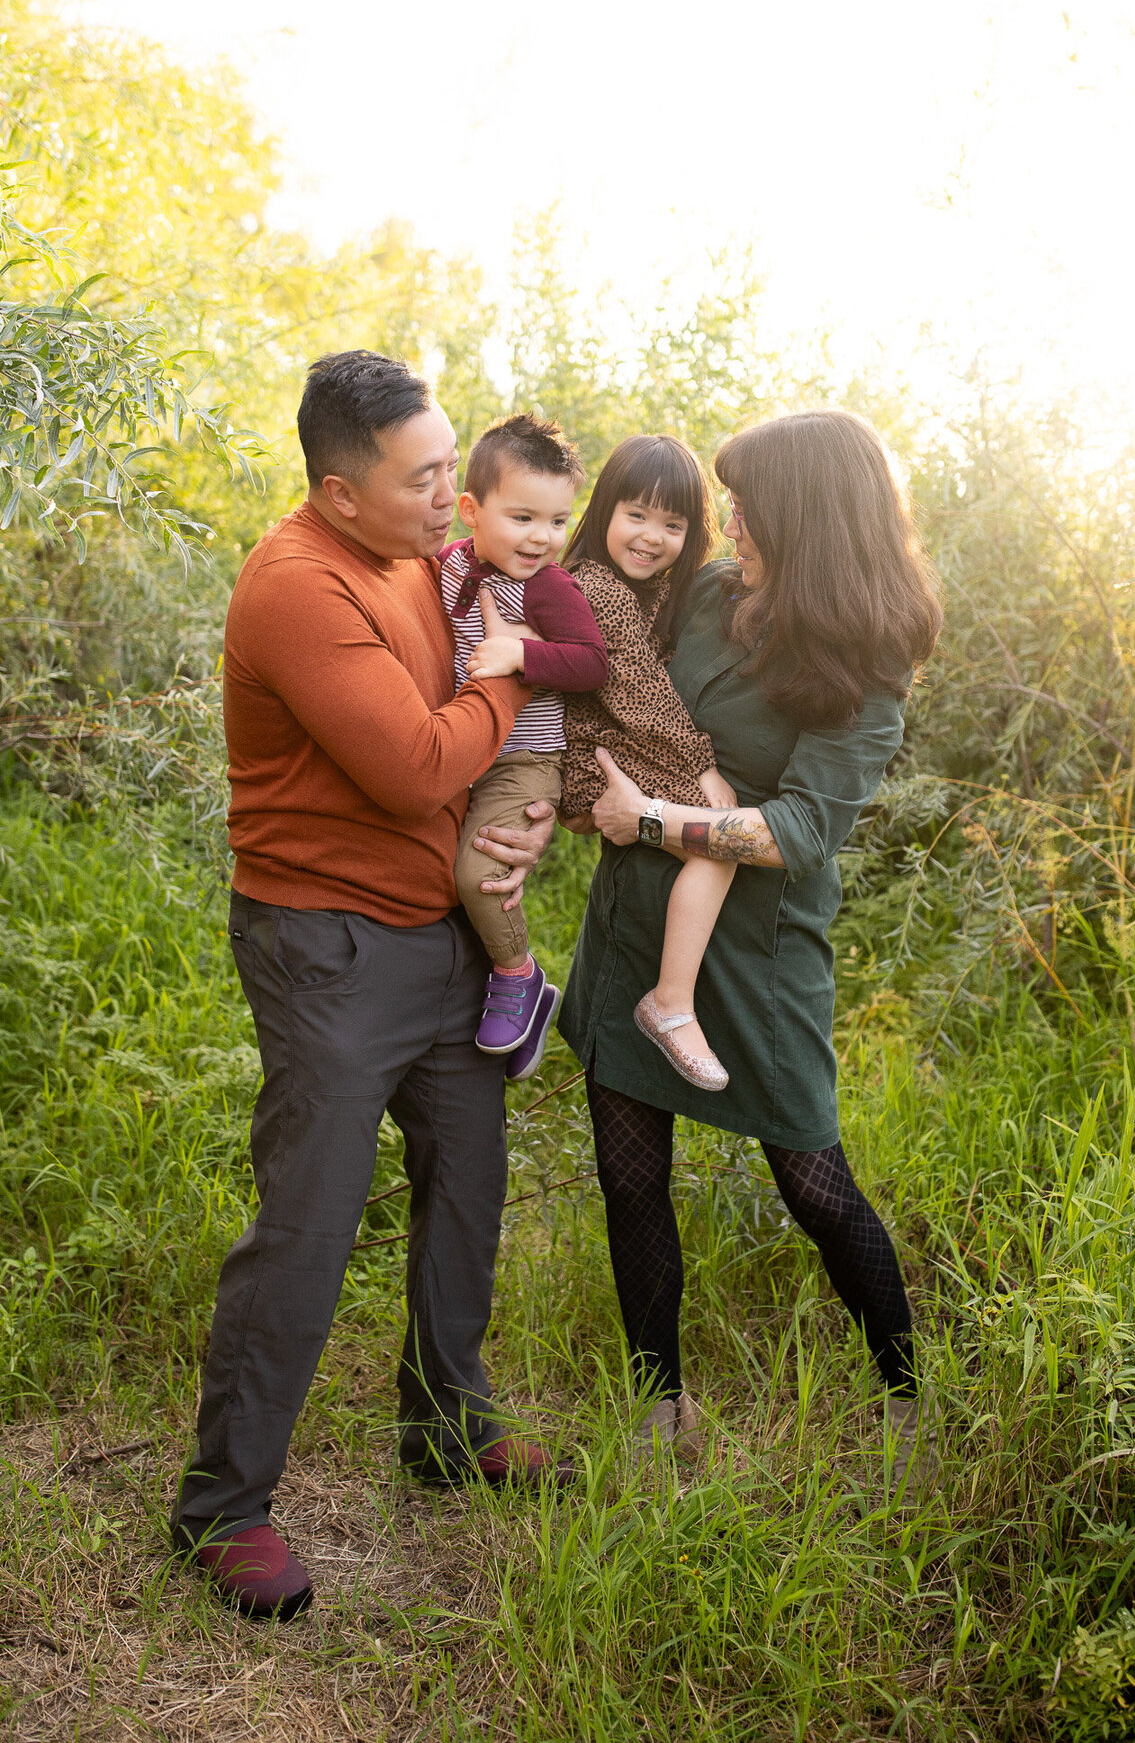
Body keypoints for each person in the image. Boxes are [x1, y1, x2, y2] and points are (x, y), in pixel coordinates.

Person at [171, 351, 572, 1624]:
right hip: (326, 946)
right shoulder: (297, 586)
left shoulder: (420, 560)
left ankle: (446, 1425)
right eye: (425, 478)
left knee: (470, 1175)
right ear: (343, 492)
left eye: (454, 465)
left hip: (436, 933)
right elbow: (413, 765)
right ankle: (223, 1508)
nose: (452, 494)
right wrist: (512, 677)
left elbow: (466, 763)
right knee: (312, 1218)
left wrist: (524, 820)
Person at [558, 411, 943, 1467]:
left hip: (758, 948)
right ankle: (658, 1401)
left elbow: (805, 830)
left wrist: (656, 822)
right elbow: (600, 651)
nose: (726, 520)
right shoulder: (711, 593)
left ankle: (906, 1390)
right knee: (628, 1173)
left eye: (745, 503)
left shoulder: (867, 662)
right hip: (639, 919)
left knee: (812, 1176)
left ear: (803, 517)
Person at [558, 435, 739, 1092]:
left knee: (713, 838)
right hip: (596, 755)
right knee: (719, 839)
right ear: (605, 508)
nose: (651, 536)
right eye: (636, 514)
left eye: (673, 523)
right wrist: (701, 768)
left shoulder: (653, 588)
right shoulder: (597, 589)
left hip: (616, 744)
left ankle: (671, 999)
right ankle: (671, 1001)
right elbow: (640, 694)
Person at [439, 413, 606, 1079]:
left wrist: (522, 652)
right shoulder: (446, 566)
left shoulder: (548, 586)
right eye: (523, 517)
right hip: (462, 749)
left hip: (525, 762)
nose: (543, 538)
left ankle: (519, 977)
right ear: (471, 511)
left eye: (558, 521)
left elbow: (592, 664)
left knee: (479, 871)